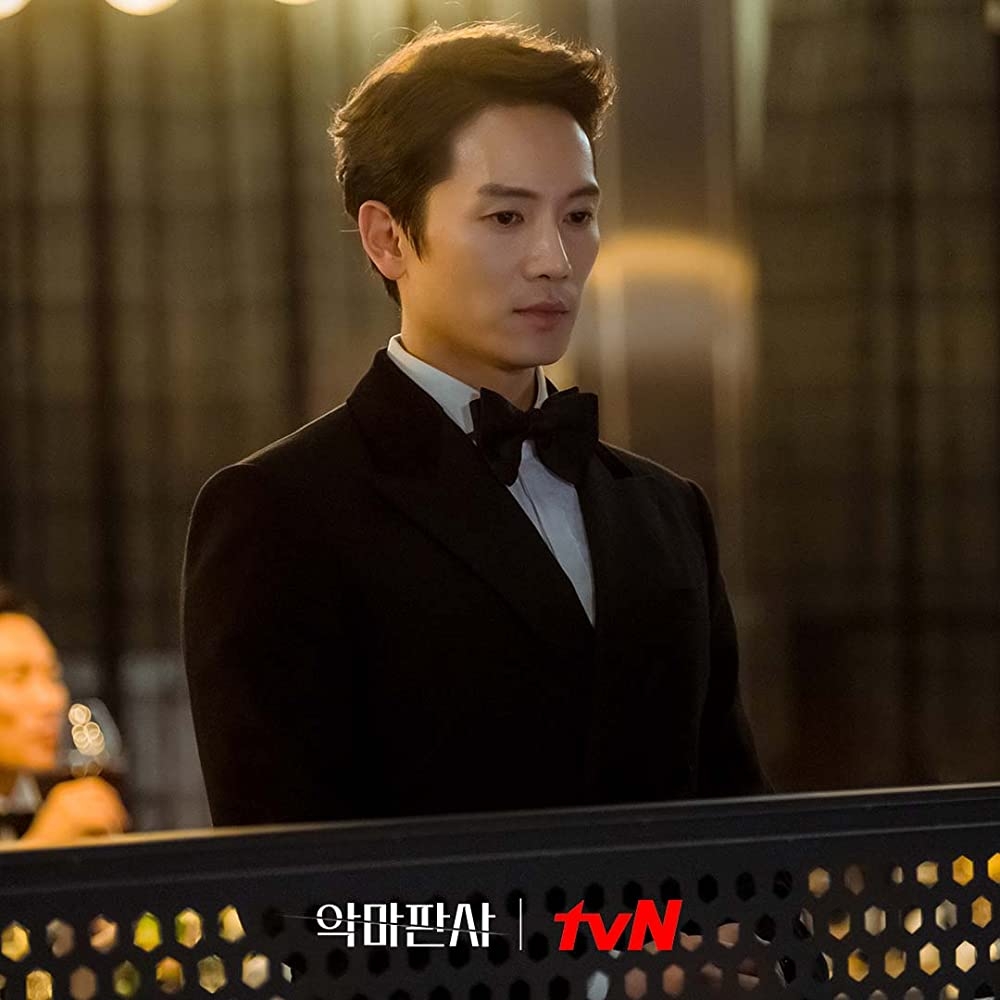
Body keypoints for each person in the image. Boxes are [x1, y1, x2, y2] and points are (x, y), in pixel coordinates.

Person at [182, 21, 770, 828]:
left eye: (578, 215)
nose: (554, 261)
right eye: (505, 219)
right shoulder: (280, 511)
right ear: (388, 238)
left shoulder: (666, 511)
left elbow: (738, 830)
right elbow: (294, 881)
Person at [0, 583, 129, 845]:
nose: (51, 700)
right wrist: (42, 847)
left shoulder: (39, 802)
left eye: (53, 675)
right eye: (17, 678)